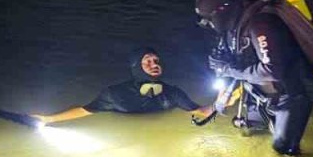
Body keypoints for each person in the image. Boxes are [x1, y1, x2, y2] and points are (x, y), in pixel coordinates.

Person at [194, 0, 313, 156]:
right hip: (261, 91)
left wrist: (230, 70)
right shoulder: (231, 30)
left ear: (222, 10)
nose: (209, 25)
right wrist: (216, 104)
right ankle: (271, 121)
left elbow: (272, 70)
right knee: (253, 129)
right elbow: (228, 70)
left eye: (209, 19)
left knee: (283, 151)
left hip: (291, 94)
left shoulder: (261, 24)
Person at [34, 47, 212, 124]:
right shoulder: (115, 94)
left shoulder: (173, 93)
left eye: (156, 61)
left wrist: (228, 98)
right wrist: (49, 119)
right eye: (147, 61)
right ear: (136, 67)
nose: (154, 64)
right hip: (125, 121)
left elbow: (202, 112)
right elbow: (85, 110)